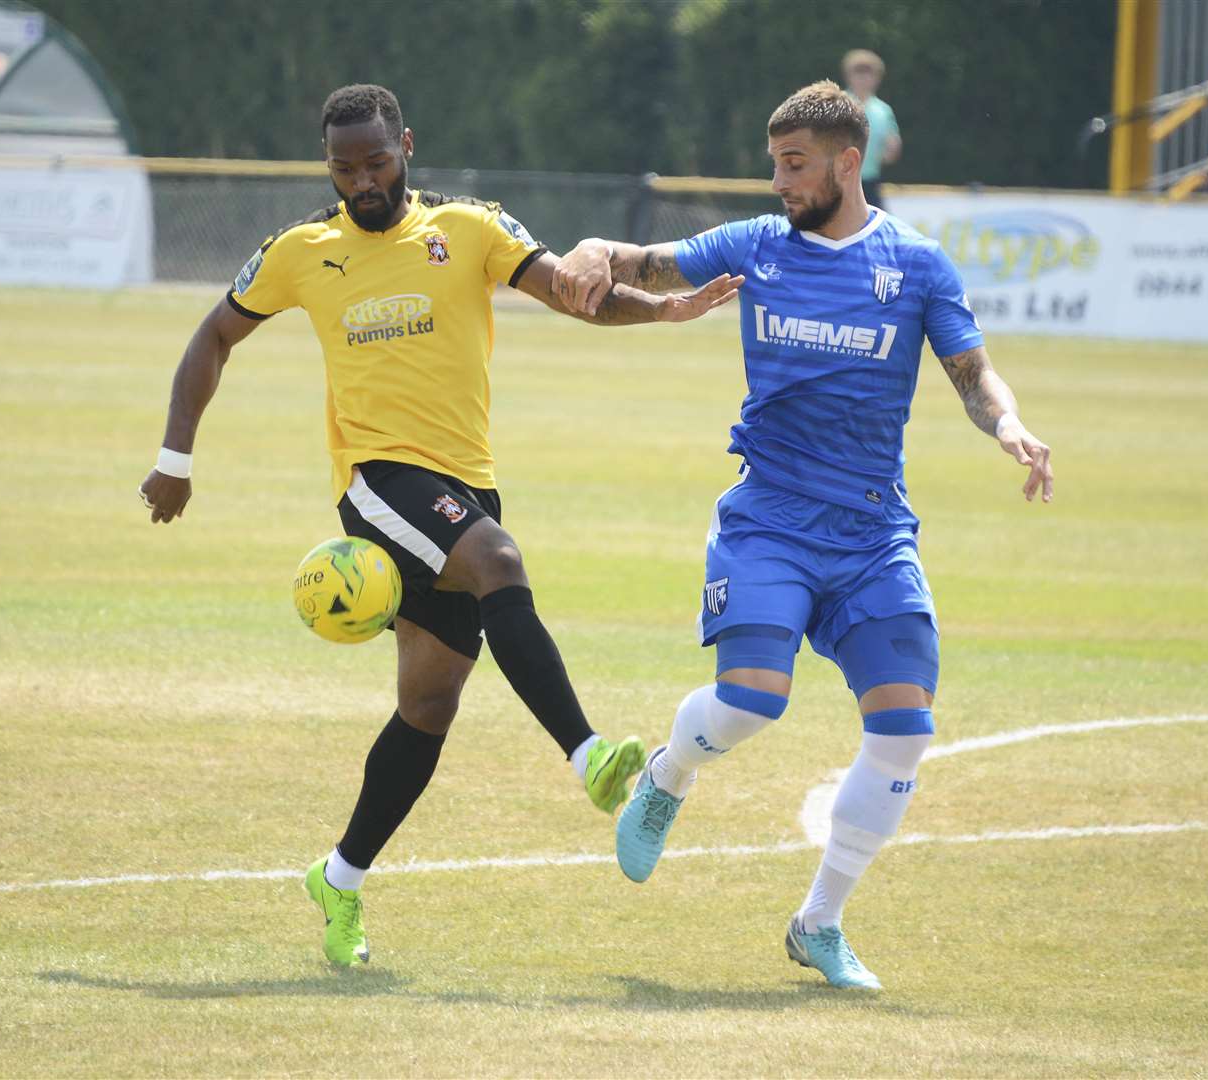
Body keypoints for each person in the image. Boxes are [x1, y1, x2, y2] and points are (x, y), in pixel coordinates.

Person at [138, 84, 741, 968]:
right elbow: (213, 336)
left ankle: (337, 881)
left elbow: (569, 291)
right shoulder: (302, 251)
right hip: (378, 484)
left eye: (376, 163)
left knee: (428, 704)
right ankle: (594, 762)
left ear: (406, 147)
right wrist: (175, 458)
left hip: (465, 482)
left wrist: (661, 310)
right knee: (497, 562)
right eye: (344, 167)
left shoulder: (468, 228)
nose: (362, 181)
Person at [551, 80, 1052, 989]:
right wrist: (594, 248)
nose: (778, 180)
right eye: (774, 163)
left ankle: (818, 923)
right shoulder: (754, 247)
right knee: (749, 705)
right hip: (771, 520)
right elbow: (647, 260)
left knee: (903, 731)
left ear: (846, 163)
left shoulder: (917, 265)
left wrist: (1009, 426)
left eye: (794, 165)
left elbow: (974, 376)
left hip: (872, 534)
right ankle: (666, 776)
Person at [842, 49, 901, 210]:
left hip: (870, 183)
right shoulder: (838, 103)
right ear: (849, 76)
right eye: (858, 72)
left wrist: (892, 150)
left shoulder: (883, 110)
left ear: (877, 78)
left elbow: (890, 152)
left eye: (868, 73)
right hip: (840, 182)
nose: (863, 78)